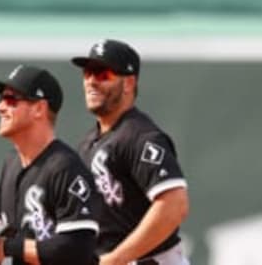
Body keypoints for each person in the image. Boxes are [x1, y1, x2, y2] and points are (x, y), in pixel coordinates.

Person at [70, 39, 190, 265]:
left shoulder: (140, 137)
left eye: (103, 74)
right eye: (87, 73)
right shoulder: (88, 143)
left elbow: (175, 204)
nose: (91, 82)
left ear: (128, 83)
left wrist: (114, 260)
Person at [0, 65, 100, 265]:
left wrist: (7, 247)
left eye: (11, 99)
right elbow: (2, 234)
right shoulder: (11, 164)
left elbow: (77, 248)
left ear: (39, 108)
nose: (0, 107)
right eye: (1, 99)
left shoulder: (65, 168)